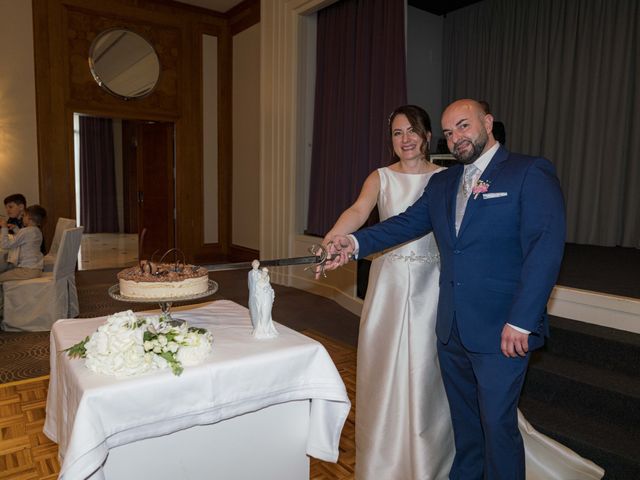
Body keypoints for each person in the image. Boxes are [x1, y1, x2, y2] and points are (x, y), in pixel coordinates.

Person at [323, 99, 572, 479]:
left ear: (487, 123)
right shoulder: (443, 182)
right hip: (450, 328)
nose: (456, 137)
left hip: (501, 330)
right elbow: (403, 225)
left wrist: (522, 322)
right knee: (466, 429)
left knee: (498, 427)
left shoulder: (527, 172)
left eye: (463, 126)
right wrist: (353, 244)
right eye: (449, 132)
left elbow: (545, 249)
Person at [322, 105, 453, 479]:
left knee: (428, 372)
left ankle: (433, 459)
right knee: (383, 370)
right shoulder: (380, 177)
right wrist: (334, 239)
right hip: (388, 287)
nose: (406, 139)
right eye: (397, 133)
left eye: (412, 131)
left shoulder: (446, 179)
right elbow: (359, 210)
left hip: (433, 286)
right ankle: (384, 458)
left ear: (428, 136)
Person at [0, 205, 47, 319]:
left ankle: (2, 310)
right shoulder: (37, 231)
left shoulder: (26, 231)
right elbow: (25, 239)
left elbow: (5, 245)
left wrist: (4, 228)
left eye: (24, 215)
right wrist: (16, 229)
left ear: (29, 218)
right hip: (36, 269)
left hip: (26, 270)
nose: (22, 217)